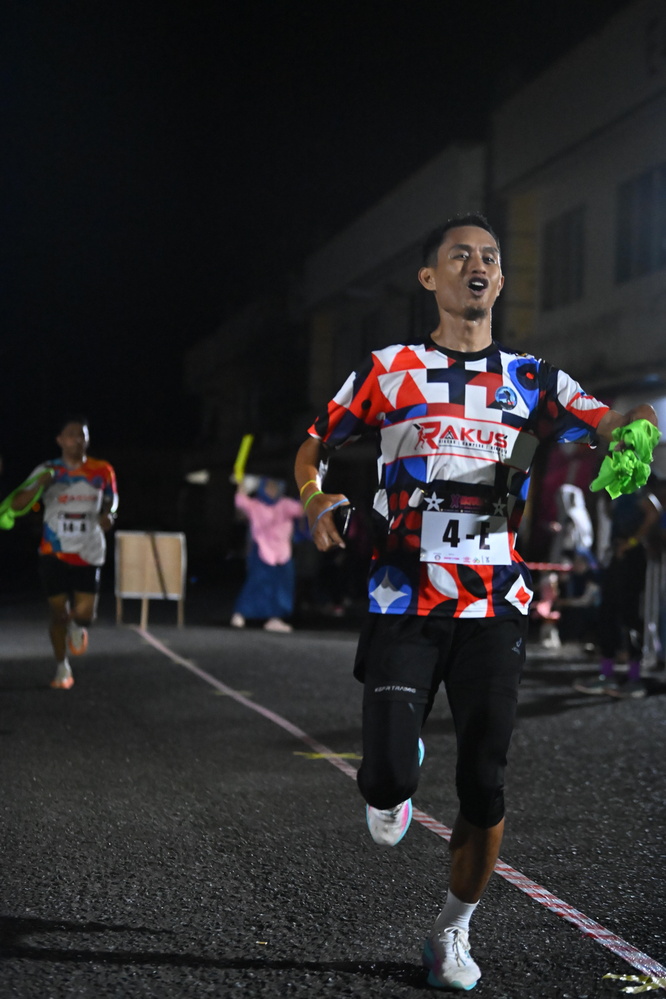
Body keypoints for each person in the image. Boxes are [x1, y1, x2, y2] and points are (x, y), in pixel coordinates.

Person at [294, 214, 659, 991]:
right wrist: (314, 495)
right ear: (430, 277)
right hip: (404, 595)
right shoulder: (390, 369)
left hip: (495, 601)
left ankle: (451, 931)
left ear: (499, 277)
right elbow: (315, 441)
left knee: (485, 781)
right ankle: (395, 770)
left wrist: (640, 430)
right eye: (459, 255)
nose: (477, 264)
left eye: (489, 255)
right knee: (385, 781)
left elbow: (615, 416)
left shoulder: (533, 379)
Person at [11, 416, 118, 689]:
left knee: (86, 616)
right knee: (57, 614)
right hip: (54, 551)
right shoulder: (47, 469)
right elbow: (16, 505)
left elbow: (112, 499)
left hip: (89, 550)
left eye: (82, 435)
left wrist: (109, 515)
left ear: (88, 440)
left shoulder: (102, 469)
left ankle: (77, 625)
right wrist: (40, 484)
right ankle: (62, 668)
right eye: (71, 435)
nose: (77, 440)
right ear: (60, 440)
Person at [574, 488, 660, 698]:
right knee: (607, 614)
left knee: (631, 617)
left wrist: (632, 542)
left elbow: (654, 511)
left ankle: (634, 678)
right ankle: (607, 674)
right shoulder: (616, 492)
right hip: (616, 557)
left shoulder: (633, 488)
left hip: (631, 559)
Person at [230, 475, 303, 633]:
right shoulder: (256, 505)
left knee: (281, 587)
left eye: (275, 487)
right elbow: (241, 501)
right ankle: (240, 613)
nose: (272, 490)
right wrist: (240, 485)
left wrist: (310, 487)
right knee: (256, 583)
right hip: (262, 551)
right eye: (269, 486)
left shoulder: (285, 504)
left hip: (283, 554)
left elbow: (302, 509)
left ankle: (274, 618)